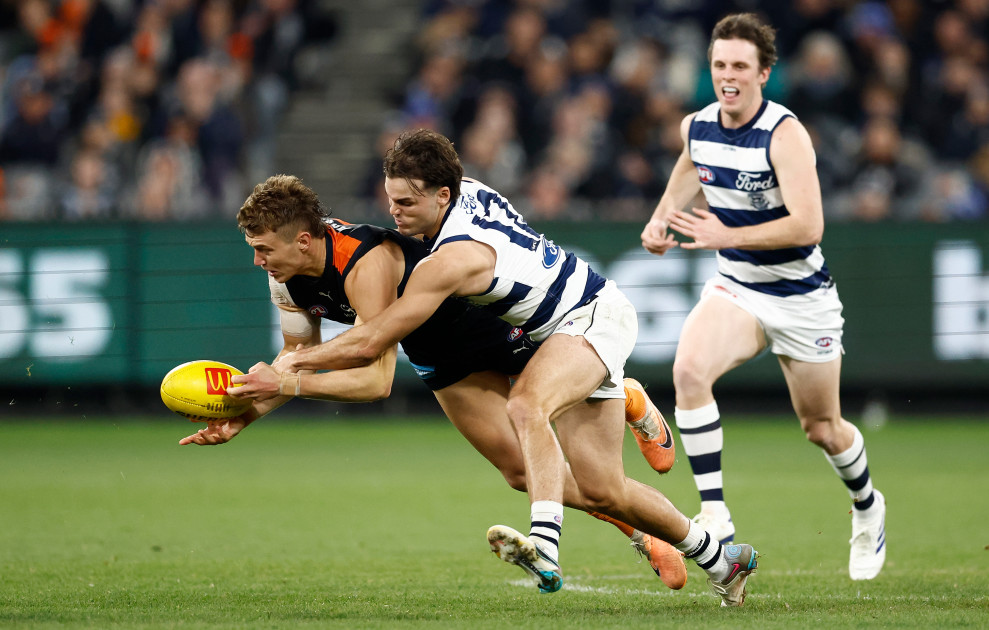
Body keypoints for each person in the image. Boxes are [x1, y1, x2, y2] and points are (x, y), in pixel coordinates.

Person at [236, 135, 759, 605]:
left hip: (584, 318)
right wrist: (248, 406)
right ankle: (720, 558)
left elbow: (373, 343)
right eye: (390, 198)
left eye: (406, 202)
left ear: (443, 195)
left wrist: (291, 370)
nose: (393, 212)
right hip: (551, 330)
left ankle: (546, 546)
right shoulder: (464, 193)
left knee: (528, 405)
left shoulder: (447, 260)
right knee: (601, 488)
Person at [181, 174, 688, 590]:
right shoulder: (282, 277)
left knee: (540, 409)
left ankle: (621, 394)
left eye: (263, 248)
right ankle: (643, 531)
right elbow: (293, 358)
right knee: (518, 472)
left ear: (304, 240)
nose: (257, 260)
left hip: (484, 325)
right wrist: (242, 416)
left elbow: (373, 380)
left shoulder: (364, 262)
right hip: (436, 354)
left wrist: (286, 385)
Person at [639, 13, 886, 581]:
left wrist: (729, 234)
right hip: (739, 285)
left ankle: (869, 506)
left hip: (802, 297)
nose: (729, 76)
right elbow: (690, 168)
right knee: (689, 371)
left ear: (764, 73)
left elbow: (809, 225)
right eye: (720, 65)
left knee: (822, 427)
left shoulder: (785, 133)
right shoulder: (696, 125)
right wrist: (660, 222)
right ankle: (716, 516)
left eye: (740, 67)